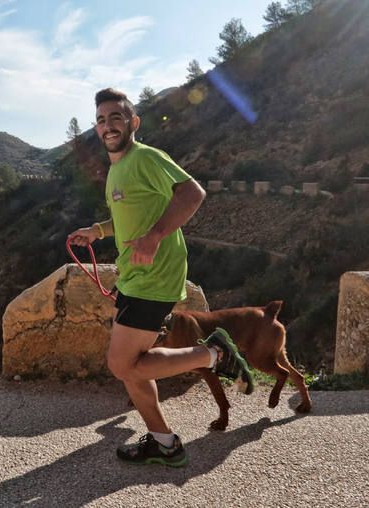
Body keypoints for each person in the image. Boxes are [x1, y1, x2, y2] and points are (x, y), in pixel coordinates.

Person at [68, 88, 253, 467]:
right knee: (134, 367)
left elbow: (192, 192)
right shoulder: (118, 168)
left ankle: (215, 353)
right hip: (134, 277)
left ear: (133, 122)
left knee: (121, 365)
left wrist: (154, 238)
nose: (108, 125)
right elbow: (130, 218)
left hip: (154, 278)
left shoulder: (146, 157)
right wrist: (98, 231)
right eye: (101, 120)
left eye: (116, 117)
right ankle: (164, 441)